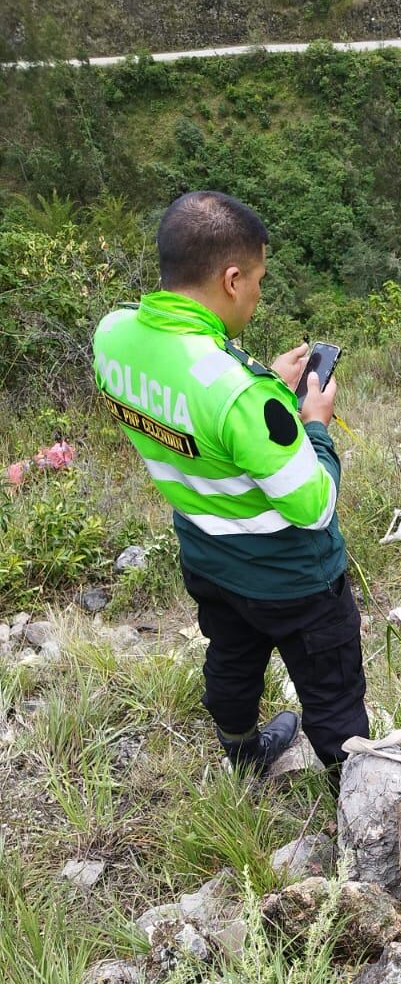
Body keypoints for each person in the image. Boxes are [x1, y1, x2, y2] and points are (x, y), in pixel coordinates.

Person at [91, 189, 369, 780]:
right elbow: (314, 504)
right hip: (289, 578)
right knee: (331, 688)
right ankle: (355, 787)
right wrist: (313, 425)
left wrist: (260, 378)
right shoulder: (242, 395)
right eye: (260, 280)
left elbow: (192, 398)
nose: (260, 293)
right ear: (232, 278)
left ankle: (242, 751)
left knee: (232, 660)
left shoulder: (112, 337)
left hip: (208, 557)